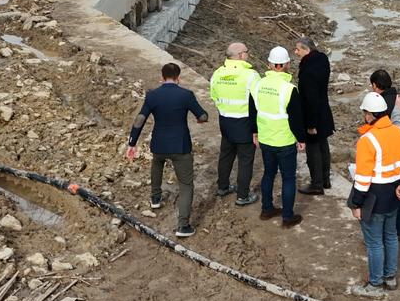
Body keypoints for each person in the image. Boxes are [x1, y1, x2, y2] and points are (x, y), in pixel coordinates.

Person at [126, 62, 209, 238]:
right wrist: (201, 119)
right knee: (185, 184)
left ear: (162, 77)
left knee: (157, 164)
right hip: (180, 145)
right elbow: (202, 115)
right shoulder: (186, 95)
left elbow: (140, 119)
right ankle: (183, 226)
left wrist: (132, 143)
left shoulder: (152, 95)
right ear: (178, 78)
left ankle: (155, 198)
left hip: (159, 143)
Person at [347, 92, 400, 297]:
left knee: (375, 243)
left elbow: (363, 178)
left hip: (373, 198)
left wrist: (356, 204)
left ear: (369, 115)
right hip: (394, 196)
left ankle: (375, 284)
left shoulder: (367, 140)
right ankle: (390, 277)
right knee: (391, 237)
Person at [253, 46, 306, 228]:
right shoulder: (289, 89)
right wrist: (301, 139)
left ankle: (266, 209)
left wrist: (255, 132)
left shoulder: (258, 85)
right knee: (288, 178)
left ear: (269, 64)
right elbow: (296, 118)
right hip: (284, 141)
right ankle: (287, 217)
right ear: (287, 64)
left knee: (268, 173)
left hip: (265, 139)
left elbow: (253, 110)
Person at [210, 42, 260, 207]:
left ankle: (222, 187)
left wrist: (225, 110)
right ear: (240, 55)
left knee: (225, 155)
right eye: (246, 51)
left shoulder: (218, 73)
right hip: (245, 123)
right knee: (245, 160)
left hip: (225, 121)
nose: (248, 54)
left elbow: (214, 96)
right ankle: (242, 195)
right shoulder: (250, 75)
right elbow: (258, 102)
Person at [294, 37, 335, 196]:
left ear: (307, 50)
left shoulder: (308, 72)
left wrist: (311, 125)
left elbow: (311, 100)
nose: (296, 52)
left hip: (314, 116)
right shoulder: (322, 60)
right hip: (324, 112)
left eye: (298, 49)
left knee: (313, 149)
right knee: (323, 145)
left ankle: (316, 184)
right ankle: (325, 179)